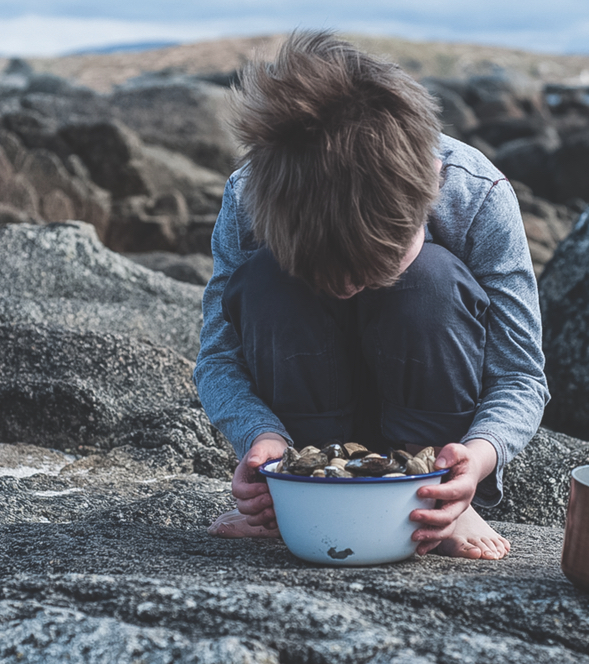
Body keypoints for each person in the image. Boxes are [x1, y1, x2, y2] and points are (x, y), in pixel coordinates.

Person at [194, 31, 549, 560]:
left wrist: (477, 456)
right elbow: (219, 357)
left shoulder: (476, 193)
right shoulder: (253, 196)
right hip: (306, 433)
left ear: (432, 183)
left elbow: (520, 374)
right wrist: (260, 438)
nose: (345, 288)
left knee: (431, 279)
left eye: (370, 267)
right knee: (267, 279)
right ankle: (302, 484)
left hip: (429, 440)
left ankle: (431, 494)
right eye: (322, 273)